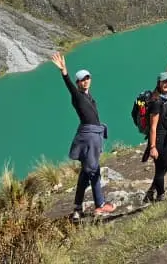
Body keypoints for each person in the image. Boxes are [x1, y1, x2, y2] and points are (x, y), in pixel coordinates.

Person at [51, 51, 116, 221]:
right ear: (78, 83)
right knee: (94, 171)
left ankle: (77, 208)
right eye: (82, 79)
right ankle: (100, 206)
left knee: (85, 173)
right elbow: (70, 89)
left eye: (87, 78)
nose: (85, 81)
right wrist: (64, 72)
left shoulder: (88, 96)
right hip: (89, 138)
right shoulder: (78, 96)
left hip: (91, 136)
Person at [142, 44, 167, 204]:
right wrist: (152, 147)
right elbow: (153, 127)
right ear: (159, 83)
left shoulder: (165, 95)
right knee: (160, 167)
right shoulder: (156, 102)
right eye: (164, 82)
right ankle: (161, 195)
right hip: (159, 138)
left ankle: (152, 191)